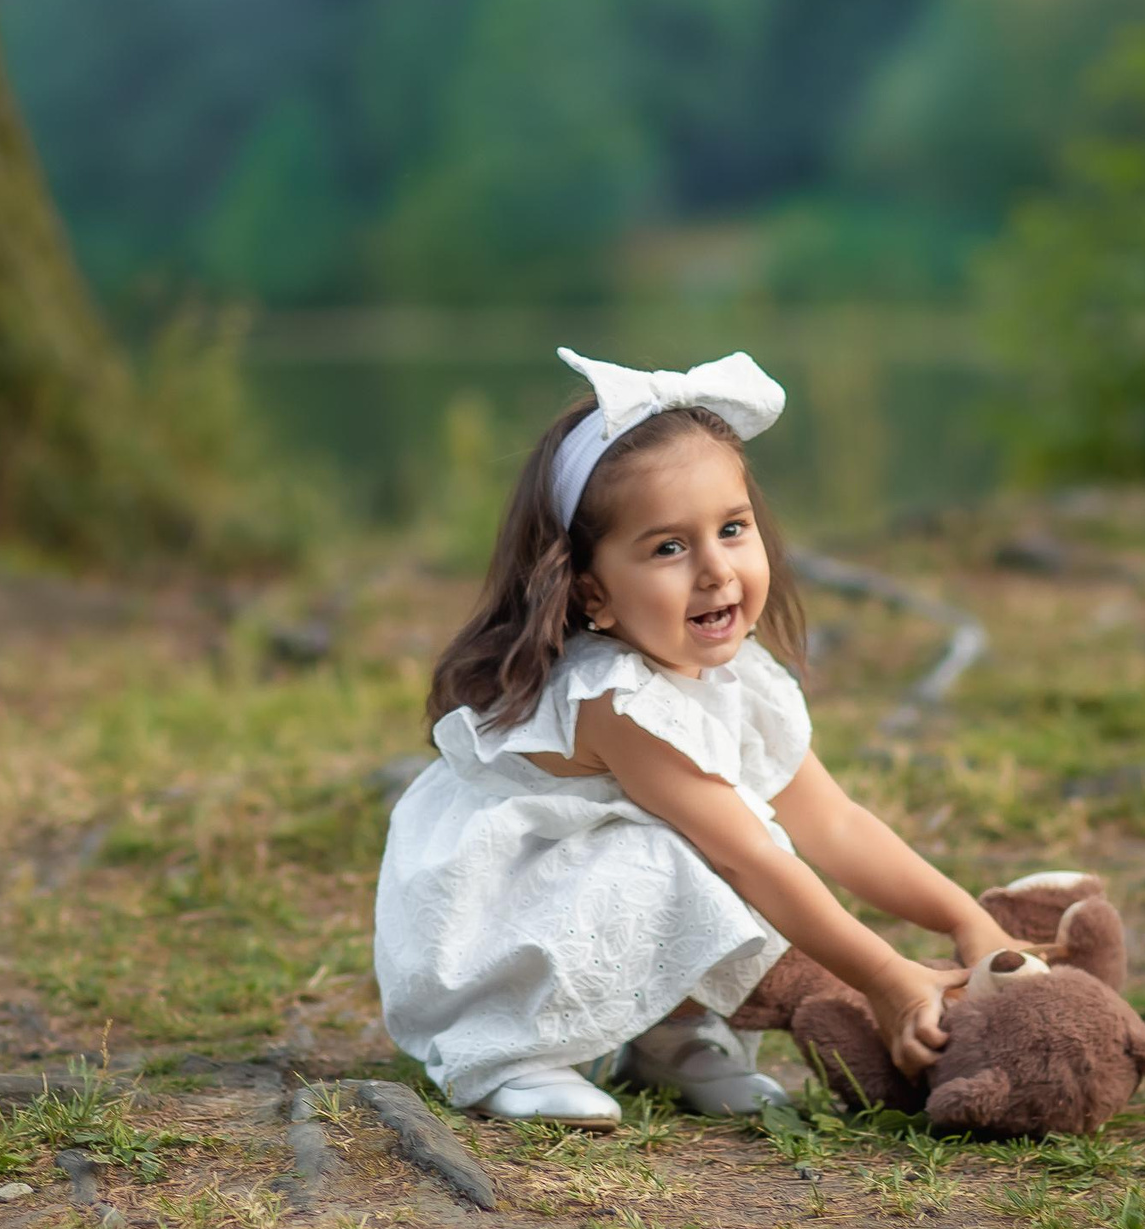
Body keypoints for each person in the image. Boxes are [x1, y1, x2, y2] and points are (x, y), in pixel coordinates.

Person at [374, 348, 1034, 1128]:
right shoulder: (613, 699)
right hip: (495, 931)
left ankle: (670, 1035)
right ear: (593, 592)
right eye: (669, 547)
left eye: (731, 528)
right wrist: (886, 978)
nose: (716, 569)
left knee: (709, 842)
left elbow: (834, 822)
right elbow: (747, 857)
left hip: (588, 899)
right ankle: (510, 1054)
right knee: (706, 847)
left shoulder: (736, 677)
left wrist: (964, 918)